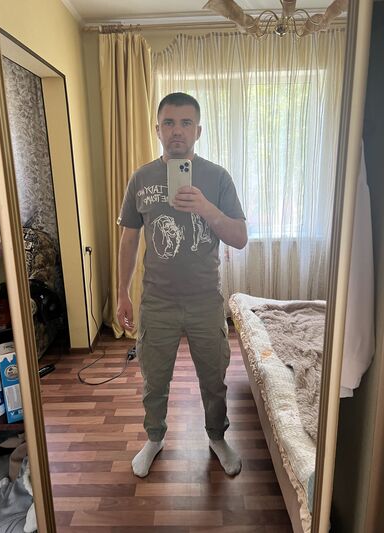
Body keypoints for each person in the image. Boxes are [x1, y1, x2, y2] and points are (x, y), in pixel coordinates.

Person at [117, 92, 247, 478]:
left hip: (205, 300)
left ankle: (217, 437)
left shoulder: (217, 177)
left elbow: (239, 237)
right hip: (157, 301)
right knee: (154, 379)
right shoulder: (141, 178)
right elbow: (129, 238)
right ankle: (154, 438)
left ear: (198, 131)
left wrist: (205, 207)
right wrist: (122, 293)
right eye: (169, 123)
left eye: (186, 123)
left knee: (214, 379)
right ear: (157, 129)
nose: (177, 131)